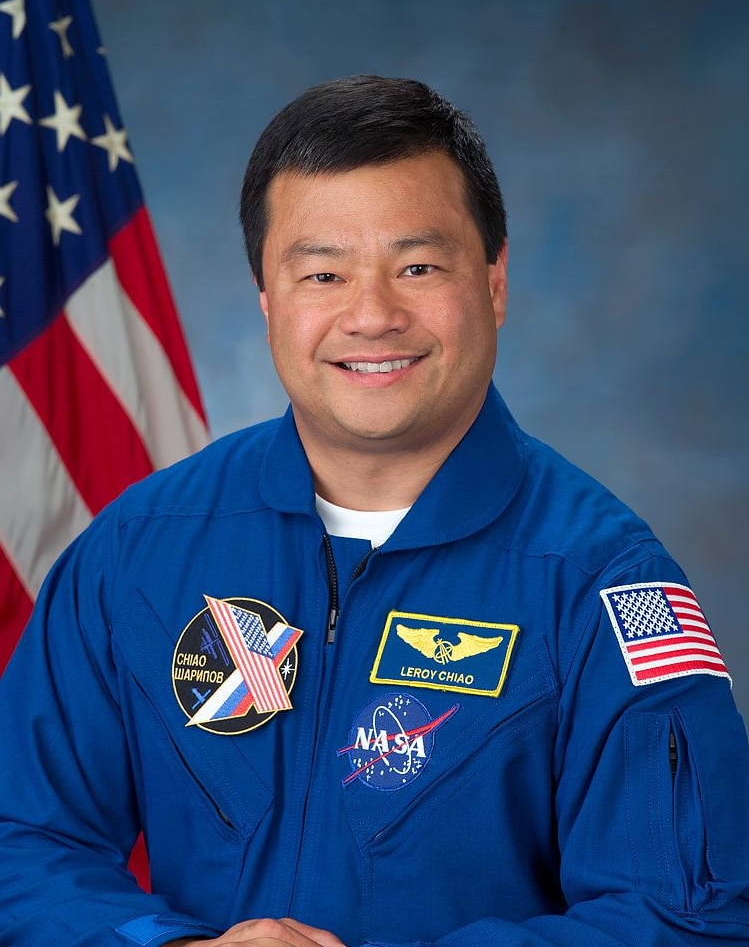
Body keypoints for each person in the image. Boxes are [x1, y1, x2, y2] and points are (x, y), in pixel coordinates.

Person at [0, 75, 748, 947]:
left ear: (495, 282)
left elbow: (687, 915)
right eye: (323, 273)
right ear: (267, 301)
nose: (371, 315)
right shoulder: (139, 551)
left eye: (417, 267)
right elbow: (21, 835)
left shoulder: (599, 583)